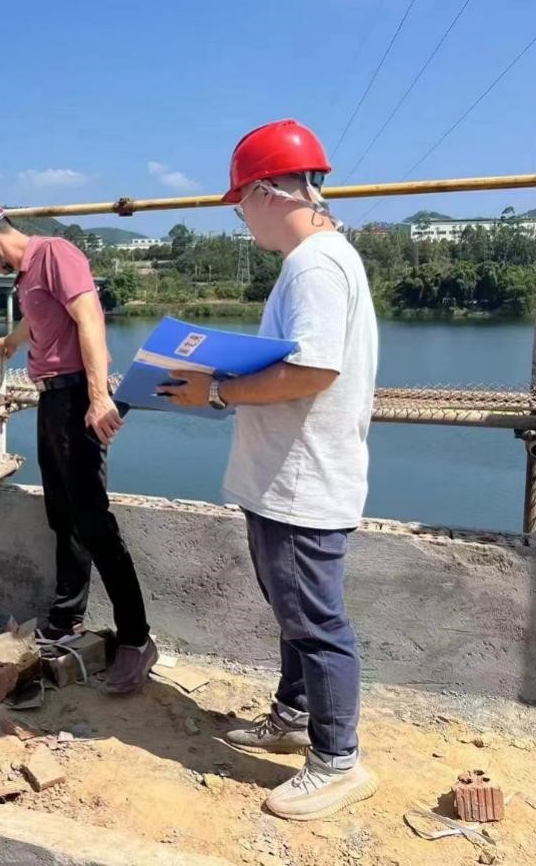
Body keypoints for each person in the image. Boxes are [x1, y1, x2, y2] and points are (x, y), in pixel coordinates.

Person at [160, 120, 379, 820]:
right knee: (294, 612)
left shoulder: (314, 265)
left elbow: (313, 369)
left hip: (301, 480)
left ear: (264, 192)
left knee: (314, 621)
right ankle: (295, 715)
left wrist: (217, 391)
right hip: (287, 475)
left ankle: (338, 762)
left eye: (239, 204)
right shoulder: (320, 259)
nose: (242, 217)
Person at [0, 197, 157, 693]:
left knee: (94, 521)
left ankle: (136, 639)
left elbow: (89, 319)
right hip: (52, 399)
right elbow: (42, 316)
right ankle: (66, 618)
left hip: (78, 394)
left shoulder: (56, 253)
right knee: (63, 516)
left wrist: (98, 398)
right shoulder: (27, 275)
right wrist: (14, 340)